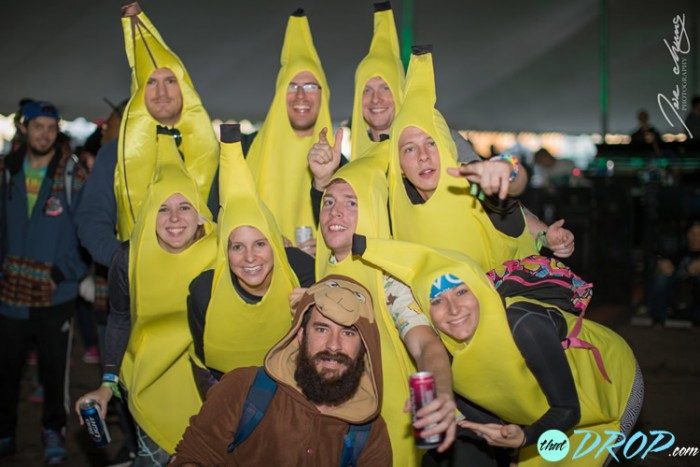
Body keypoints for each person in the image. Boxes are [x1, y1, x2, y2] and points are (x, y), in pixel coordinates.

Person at [355, 236, 644, 467]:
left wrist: (525, 438)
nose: (453, 310)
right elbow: (493, 412)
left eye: (461, 292)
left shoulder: (523, 324)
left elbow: (568, 409)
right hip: (547, 418)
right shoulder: (447, 355)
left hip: (613, 389)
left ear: (480, 291)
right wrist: (488, 431)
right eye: (438, 301)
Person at [76, 130, 217, 465]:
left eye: (184, 206)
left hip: (209, 393)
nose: (174, 218)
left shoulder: (221, 253)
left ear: (199, 214)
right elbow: (120, 318)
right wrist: (107, 384)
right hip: (150, 390)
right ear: (148, 216)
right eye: (162, 208)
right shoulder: (128, 259)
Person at [316, 153, 456, 466]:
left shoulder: (387, 278)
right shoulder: (322, 268)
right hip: (332, 435)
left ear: (372, 210)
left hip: (385, 438)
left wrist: (441, 394)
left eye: (352, 202)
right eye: (328, 202)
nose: (335, 211)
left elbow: (426, 344)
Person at [387, 46, 573, 272]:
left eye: (431, 143)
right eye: (409, 149)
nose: (423, 156)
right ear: (399, 166)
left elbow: (512, 193)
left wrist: (508, 169)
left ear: (448, 145)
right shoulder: (397, 200)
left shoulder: (470, 183)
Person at [171, 276, 391, 466]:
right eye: (322, 329)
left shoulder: (370, 432)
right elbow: (194, 456)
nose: (334, 346)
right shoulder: (243, 389)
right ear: (300, 335)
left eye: (348, 333)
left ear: (364, 347)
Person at [76, 1, 219, 267]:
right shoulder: (114, 152)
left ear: (185, 89)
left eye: (170, 82)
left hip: (207, 281)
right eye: (151, 83)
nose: (161, 93)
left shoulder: (217, 152)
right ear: (139, 92)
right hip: (136, 284)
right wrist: (121, 259)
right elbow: (91, 217)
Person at [187, 124, 315, 395]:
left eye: (260, 244)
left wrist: (311, 309)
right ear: (225, 252)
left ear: (276, 244)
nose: (249, 258)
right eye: (237, 247)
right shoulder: (203, 293)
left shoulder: (302, 271)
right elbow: (205, 365)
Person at [0, 100, 88, 464]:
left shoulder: (73, 174)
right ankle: (5, 432)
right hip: (11, 296)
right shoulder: (7, 170)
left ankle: (54, 431)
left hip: (56, 295)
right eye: (38, 127)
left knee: (54, 373)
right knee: (6, 371)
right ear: (24, 128)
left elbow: (88, 229)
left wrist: (61, 273)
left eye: (51, 128)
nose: (45, 134)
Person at [246, 8, 336, 245]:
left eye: (309, 87)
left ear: (323, 95)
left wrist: (329, 245)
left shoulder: (342, 164)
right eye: (291, 86)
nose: (300, 96)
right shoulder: (244, 151)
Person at [647, 220, 700, 325]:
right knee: (661, 277)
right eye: (692, 233)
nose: (696, 237)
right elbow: (666, 262)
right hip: (678, 290)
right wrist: (662, 265)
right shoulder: (681, 251)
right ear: (687, 234)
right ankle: (658, 319)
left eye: (699, 234)